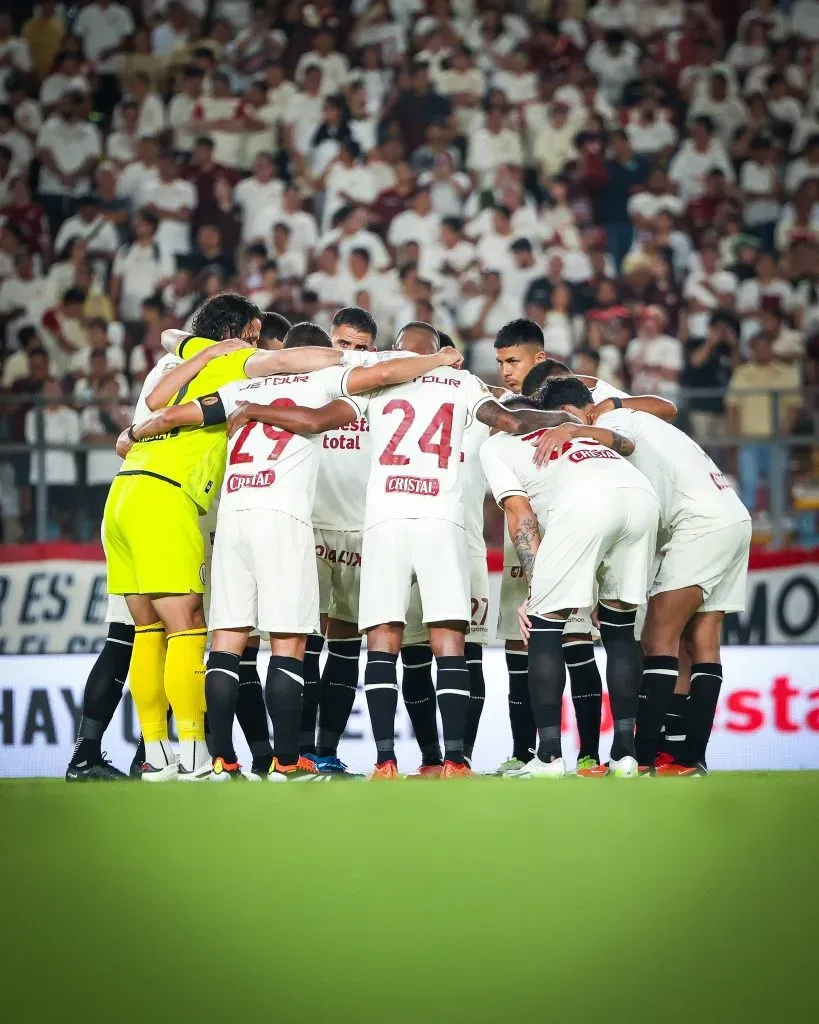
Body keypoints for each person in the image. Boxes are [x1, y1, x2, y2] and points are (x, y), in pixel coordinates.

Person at [128, 323, 463, 780]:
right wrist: (437, 360)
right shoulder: (323, 379)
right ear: (318, 354)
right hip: (282, 517)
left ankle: (220, 760)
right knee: (289, 643)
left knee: (226, 642)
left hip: (234, 515)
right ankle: (287, 762)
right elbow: (382, 375)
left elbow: (168, 415)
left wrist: (135, 434)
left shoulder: (241, 385)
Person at [241, 321, 576, 778]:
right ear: (438, 350)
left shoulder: (378, 379)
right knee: (449, 642)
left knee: (383, 640)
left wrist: (256, 409)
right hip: (442, 522)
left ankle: (385, 761)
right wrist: (562, 420)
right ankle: (455, 760)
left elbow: (318, 420)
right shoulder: (462, 382)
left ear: (398, 350)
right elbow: (513, 422)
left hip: (385, 522)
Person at [101, 294, 357, 781]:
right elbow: (282, 363)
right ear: (239, 334)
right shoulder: (237, 367)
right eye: (253, 338)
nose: (257, 349)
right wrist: (348, 356)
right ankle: (197, 753)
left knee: (147, 630)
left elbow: (155, 404)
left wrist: (134, 431)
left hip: (124, 493)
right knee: (187, 626)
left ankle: (156, 752)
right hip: (169, 497)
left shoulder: (177, 361)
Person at [537, 376, 752, 775]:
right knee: (701, 640)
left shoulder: (610, 419)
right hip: (732, 515)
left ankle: (643, 757)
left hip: (699, 524)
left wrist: (575, 430)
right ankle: (688, 758)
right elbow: (666, 409)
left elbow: (623, 442)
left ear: (568, 411)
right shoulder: (633, 413)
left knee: (656, 638)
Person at [481, 382, 660, 778]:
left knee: (544, 625)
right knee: (619, 627)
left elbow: (520, 515)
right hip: (641, 497)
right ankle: (625, 755)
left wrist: (535, 589)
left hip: (586, 504)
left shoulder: (495, 445)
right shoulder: (575, 432)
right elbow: (624, 450)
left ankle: (547, 756)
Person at [400, 331, 490, 775]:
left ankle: (462, 756)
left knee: (467, 655)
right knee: (414, 656)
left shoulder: (480, 407)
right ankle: (430, 759)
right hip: (409, 542)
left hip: (466, 547)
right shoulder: (392, 404)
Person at [300, 307, 379, 775]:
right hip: (309, 527)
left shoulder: (381, 387)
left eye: (361, 347)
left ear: (374, 351)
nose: (350, 354)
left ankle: (325, 751)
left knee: (346, 646)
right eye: (343, 344)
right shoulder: (309, 380)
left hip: (360, 531)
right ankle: (297, 752)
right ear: (329, 342)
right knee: (305, 642)